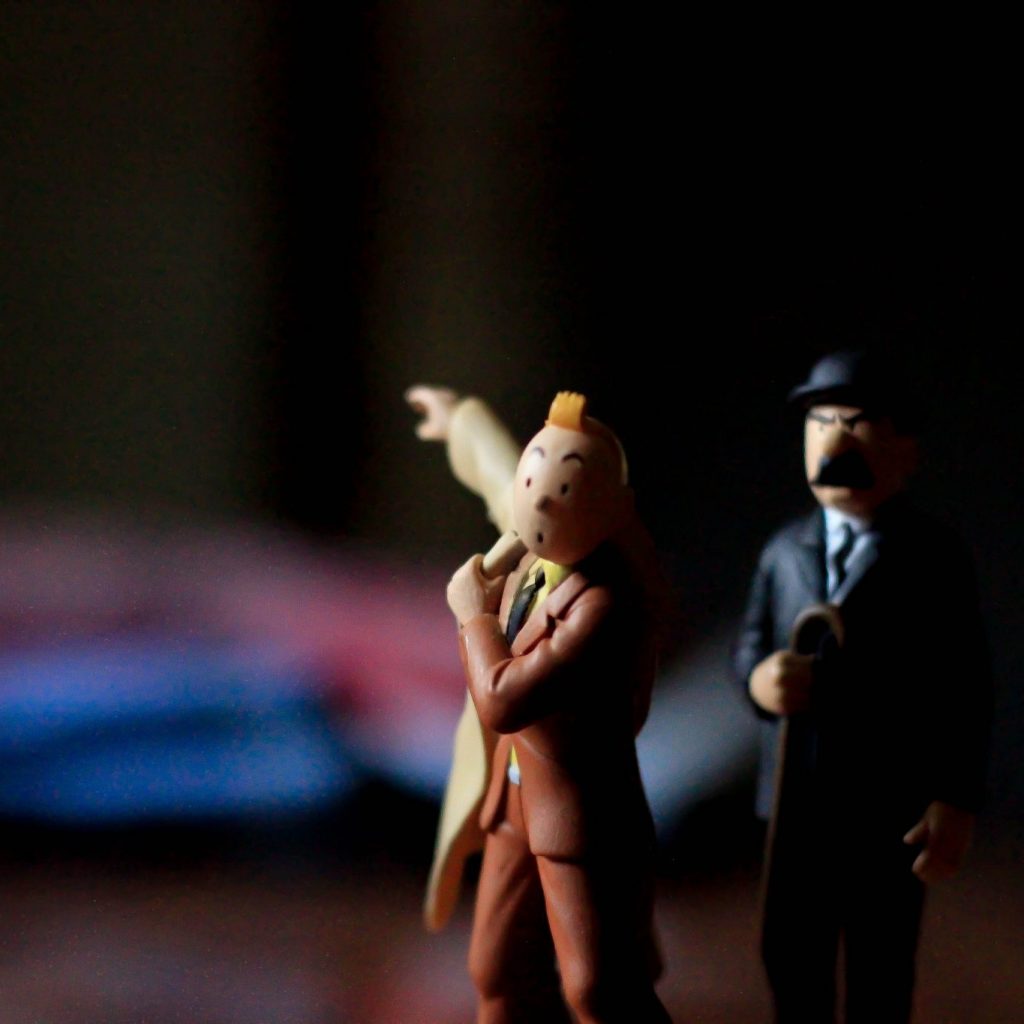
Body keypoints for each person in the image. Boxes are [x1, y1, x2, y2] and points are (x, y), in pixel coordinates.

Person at [734, 350, 991, 1023]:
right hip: (795, 805)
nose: (834, 443)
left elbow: (966, 685)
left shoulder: (934, 556)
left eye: (856, 425)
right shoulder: (782, 552)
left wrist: (955, 800)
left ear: (906, 450)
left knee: (881, 963)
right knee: (793, 959)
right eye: (820, 425)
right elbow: (749, 647)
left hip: (889, 808)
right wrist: (760, 681)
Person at [412, 387, 670, 1023]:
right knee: (497, 971)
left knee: (598, 990)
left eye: (564, 488)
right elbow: (499, 474)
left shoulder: (602, 607)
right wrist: (459, 422)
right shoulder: (531, 550)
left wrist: (474, 618)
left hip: (579, 819)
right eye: (533, 482)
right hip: (512, 808)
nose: (538, 499)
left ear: (613, 509)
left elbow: (504, 700)